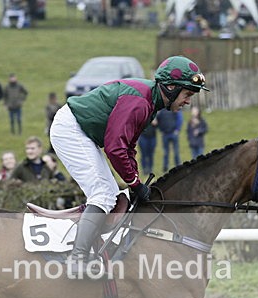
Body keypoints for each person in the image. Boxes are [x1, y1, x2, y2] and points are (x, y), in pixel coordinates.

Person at [49, 55, 208, 277]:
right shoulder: (141, 102)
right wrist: (134, 183)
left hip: (80, 130)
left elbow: (128, 146)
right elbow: (115, 148)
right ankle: (77, 260)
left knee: (114, 198)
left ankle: (96, 252)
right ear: (171, 88)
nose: (188, 101)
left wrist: (136, 180)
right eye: (187, 94)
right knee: (102, 195)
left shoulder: (150, 102)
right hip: (71, 129)